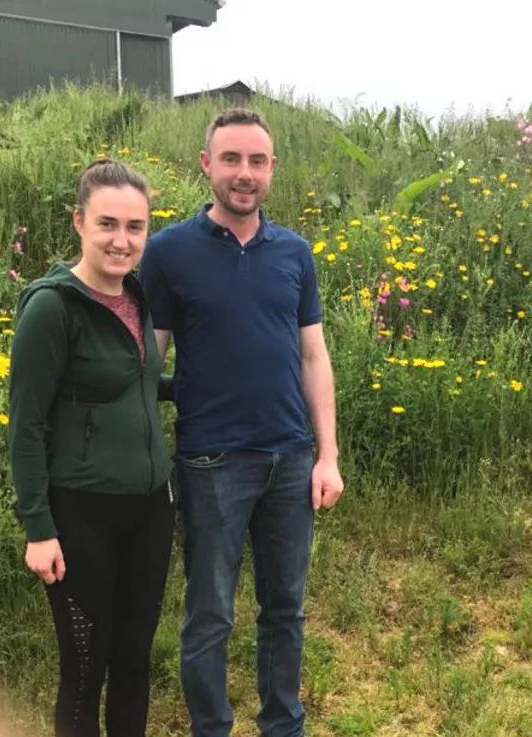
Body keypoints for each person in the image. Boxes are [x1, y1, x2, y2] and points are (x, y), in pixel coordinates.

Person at [138, 109, 344, 737]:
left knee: (285, 610)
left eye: (257, 161)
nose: (244, 174)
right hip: (211, 462)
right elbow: (149, 357)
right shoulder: (167, 253)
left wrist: (326, 453)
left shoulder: (295, 253)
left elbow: (313, 354)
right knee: (210, 614)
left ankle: (283, 723)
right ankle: (212, 727)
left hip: (290, 457)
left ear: (272, 169)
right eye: (231, 159)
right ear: (207, 165)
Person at [7, 159, 176, 737]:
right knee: (86, 670)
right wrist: (38, 527)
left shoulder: (139, 296)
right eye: (108, 224)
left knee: (134, 662)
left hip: (152, 508)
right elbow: (25, 427)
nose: (122, 240)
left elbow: (139, 382)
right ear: (79, 222)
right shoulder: (51, 308)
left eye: (135, 227)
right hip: (81, 516)